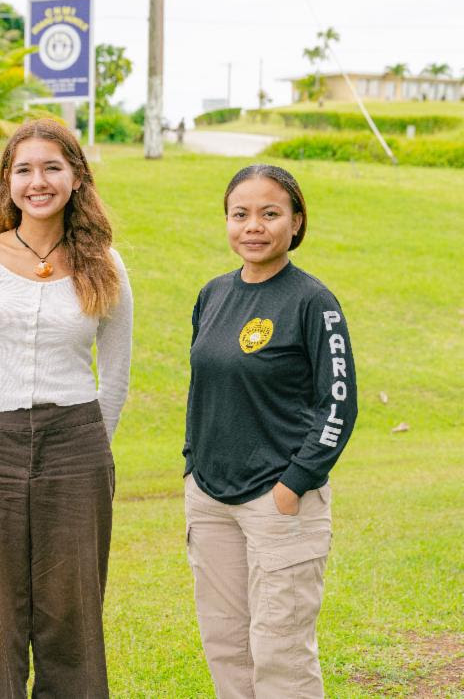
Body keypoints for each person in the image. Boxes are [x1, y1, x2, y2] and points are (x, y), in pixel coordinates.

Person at [0, 118, 133, 697]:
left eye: (52, 167)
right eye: (24, 169)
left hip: (76, 445)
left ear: (76, 177)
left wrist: (81, 442)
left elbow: (117, 373)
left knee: (71, 612)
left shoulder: (106, 263)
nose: (38, 181)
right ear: (7, 182)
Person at [183, 164, 357, 698]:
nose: (253, 226)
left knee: (280, 650)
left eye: (270, 213)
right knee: (227, 645)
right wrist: (193, 466)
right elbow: (204, 388)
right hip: (211, 500)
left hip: (280, 503)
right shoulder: (212, 295)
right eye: (241, 214)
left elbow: (340, 402)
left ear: (296, 222)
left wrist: (295, 483)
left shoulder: (312, 301)